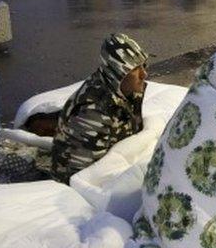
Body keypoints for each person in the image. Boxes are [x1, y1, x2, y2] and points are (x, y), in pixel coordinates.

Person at [50, 33, 149, 182]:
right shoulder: (94, 111)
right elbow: (78, 177)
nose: (144, 74)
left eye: (144, 65)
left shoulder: (123, 90)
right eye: (135, 69)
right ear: (118, 72)